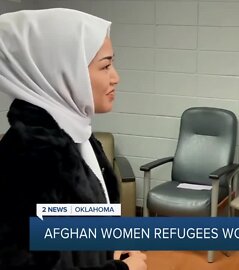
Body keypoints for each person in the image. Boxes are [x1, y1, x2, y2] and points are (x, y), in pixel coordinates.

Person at [0, 8, 147, 270]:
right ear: (62, 72)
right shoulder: (29, 158)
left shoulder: (76, 136)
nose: (116, 77)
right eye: (105, 65)